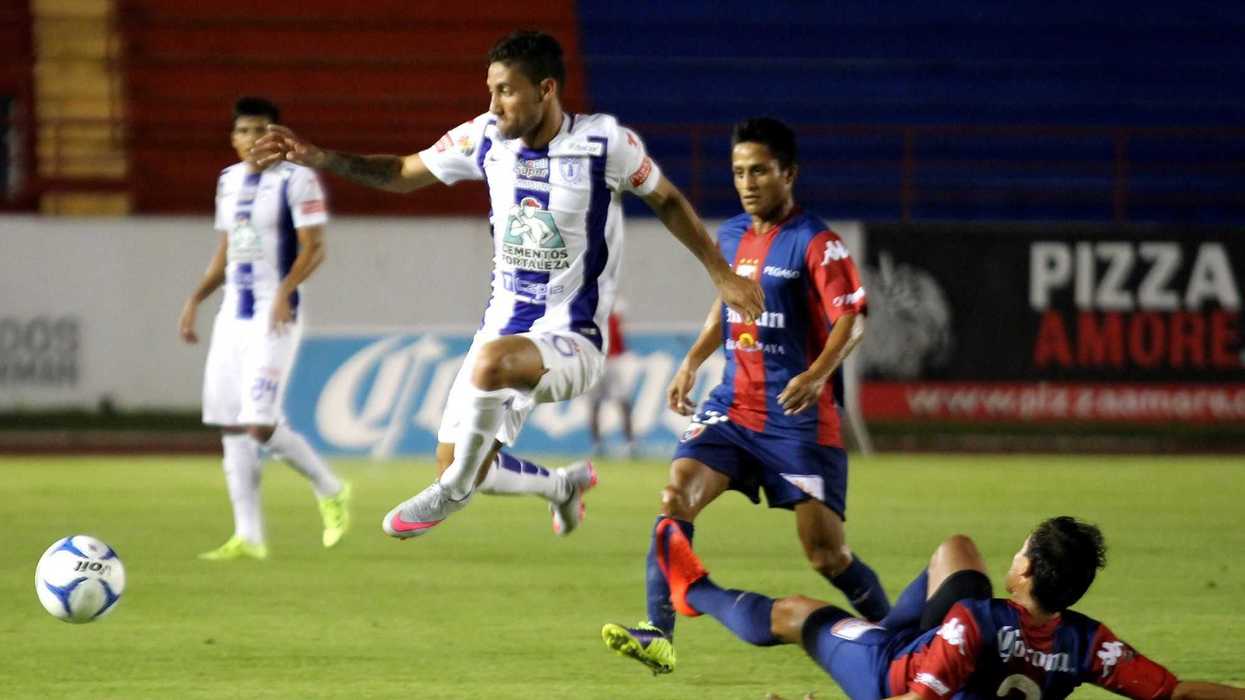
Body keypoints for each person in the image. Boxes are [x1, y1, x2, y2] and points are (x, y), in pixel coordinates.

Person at [251, 31, 764, 539]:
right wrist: (319, 157)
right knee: (465, 454)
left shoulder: (605, 143)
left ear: (545, 89)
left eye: (506, 91)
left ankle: (452, 493)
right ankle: (560, 486)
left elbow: (668, 200)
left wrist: (721, 274)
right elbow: (402, 172)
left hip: (574, 338)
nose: (494, 104)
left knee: (486, 385)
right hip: (501, 328)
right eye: (490, 90)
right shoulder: (484, 138)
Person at [601, 117, 886, 675]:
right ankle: (659, 630)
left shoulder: (816, 243)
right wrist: (692, 361)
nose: (748, 182)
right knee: (674, 497)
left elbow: (853, 317)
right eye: (738, 172)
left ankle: (906, 635)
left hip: (795, 417)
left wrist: (817, 373)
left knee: (826, 555)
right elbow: (727, 304)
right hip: (733, 407)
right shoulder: (729, 236)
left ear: (789, 173)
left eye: (759, 170)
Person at [652, 515, 1245, 700]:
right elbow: (1177, 694)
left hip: (889, 673)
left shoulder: (976, 624)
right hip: (949, 658)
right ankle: (881, 623)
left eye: (1021, 550)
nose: (1012, 555)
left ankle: (693, 592)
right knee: (957, 551)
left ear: (1027, 571)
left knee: (797, 615)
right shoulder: (1088, 642)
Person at [179, 97, 351, 560]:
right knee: (232, 428)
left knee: (258, 423)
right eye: (245, 131)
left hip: (276, 316)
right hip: (232, 316)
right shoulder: (228, 182)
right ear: (233, 139)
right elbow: (227, 252)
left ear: (278, 135)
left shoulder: (298, 180)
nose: (254, 140)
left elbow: (315, 248)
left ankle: (331, 489)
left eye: (262, 130)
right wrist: (196, 299)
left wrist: (283, 291)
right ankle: (249, 536)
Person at [589, 307, 636, 458]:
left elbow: (620, 334)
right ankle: (597, 444)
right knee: (595, 404)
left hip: (614, 360)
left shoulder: (614, 308)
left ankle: (630, 443)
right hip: (596, 361)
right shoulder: (588, 309)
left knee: (622, 402)